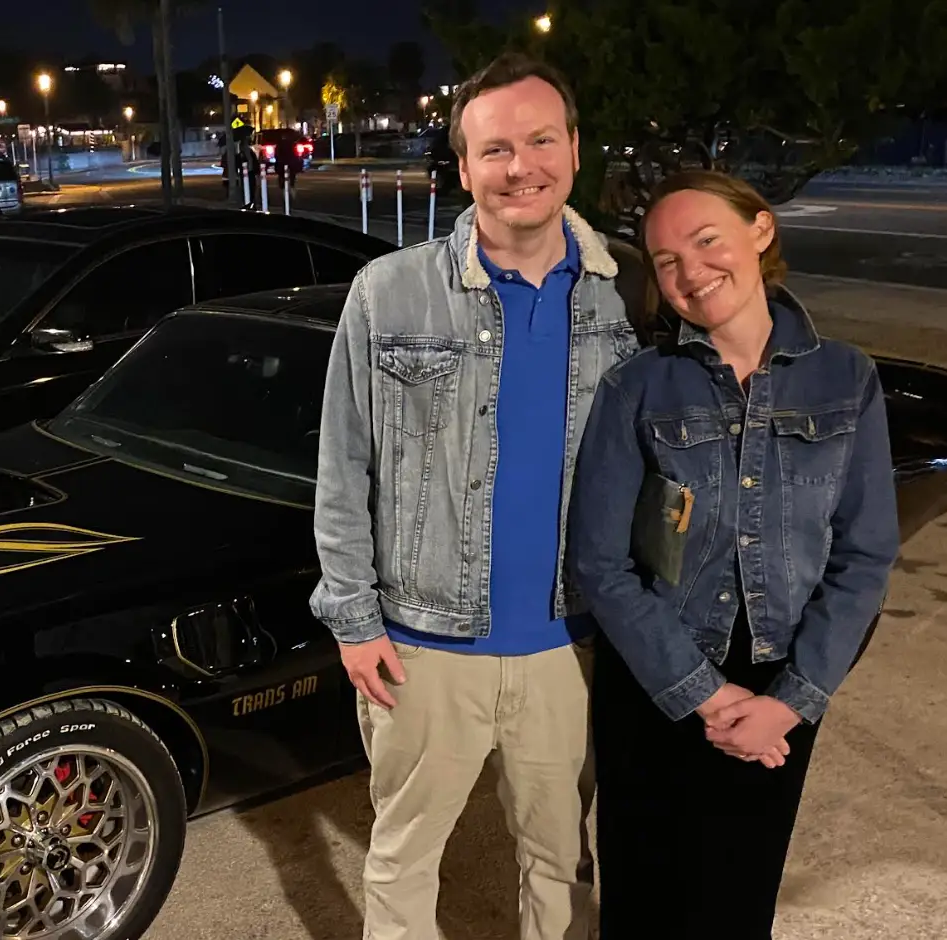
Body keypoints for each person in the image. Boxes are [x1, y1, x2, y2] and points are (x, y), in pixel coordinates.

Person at [309, 51, 643, 940]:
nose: (518, 166)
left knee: (559, 861)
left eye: (540, 140)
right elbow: (344, 465)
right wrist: (353, 619)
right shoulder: (388, 291)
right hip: (421, 651)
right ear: (463, 168)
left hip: (568, 647)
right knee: (404, 858)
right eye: (494, 149)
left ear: (574, 149)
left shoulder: (628, 296)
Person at [566, 169, 900, 939]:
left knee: (735, 903)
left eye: (705, 240)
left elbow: (864, 555)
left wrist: (790, 700)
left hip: (779, 684)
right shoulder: (639, 387)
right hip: (657, 680)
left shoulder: (845, 379)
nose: (689, 271)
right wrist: (704, 695)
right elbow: (602, 564)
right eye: (665, 259)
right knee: (646, 902)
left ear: (759, 232)